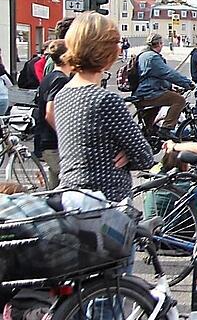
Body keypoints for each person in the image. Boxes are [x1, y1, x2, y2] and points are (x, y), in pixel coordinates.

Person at [56, 12, 154, 202]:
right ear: (106, 51)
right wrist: (129, 152)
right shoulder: (105, 101)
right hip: (105, 206)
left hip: (71, 200)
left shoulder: (64, 94)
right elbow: (144, 157)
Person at [134, 33, 194, 139]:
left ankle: (150, 137)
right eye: (162, 43)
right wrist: (187, 83)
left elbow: (154, 77)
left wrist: (171, 87)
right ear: (160, 44)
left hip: (145, 92)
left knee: (149, 128)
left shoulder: (144, 54)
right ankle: (166, 129)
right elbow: (168, 73)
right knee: (179, 100)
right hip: (149, 93)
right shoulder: (152, 57)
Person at [32, 40, 72, 188]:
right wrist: (66, 135)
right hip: (53, 142)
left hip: (47, 140)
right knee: (70, 183)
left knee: (54, 189)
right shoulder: (60, 80)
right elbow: (50, 112)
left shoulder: (50, 77)